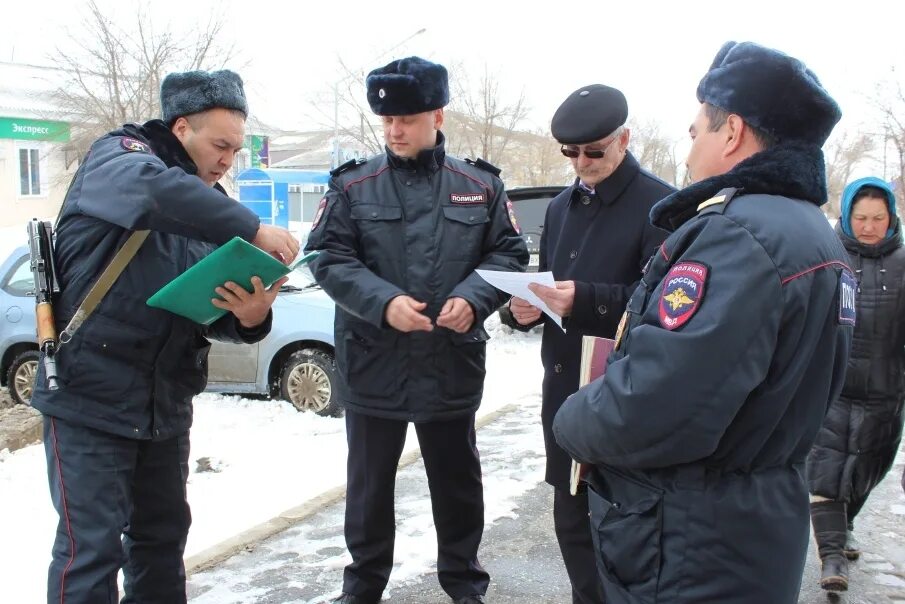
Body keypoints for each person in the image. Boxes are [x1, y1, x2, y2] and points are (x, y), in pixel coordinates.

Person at [552, 41, 853, 603]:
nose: (689, 150)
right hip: (750, 528)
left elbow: (657, 404)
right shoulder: (811, 232)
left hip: (692, 544)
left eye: (696, 132)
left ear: (732, 132)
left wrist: (571, 421)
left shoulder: (737, 237)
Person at [30, 69, 299, 604]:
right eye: (220, 144)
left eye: (236, 150)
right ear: (181, 128)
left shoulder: (206, 203)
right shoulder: (120, 159)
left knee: (160, 544)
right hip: (89, 397)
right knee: (91, 551)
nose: (227, 159)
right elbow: (151, 192)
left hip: (163, 406)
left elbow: (209, 311)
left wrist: (250, 315)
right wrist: (251, 226)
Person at [303, 56, 528, 604]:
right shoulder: (355, 186)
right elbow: (326, 256)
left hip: (450, 362)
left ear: (437, 115)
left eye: (406, 118)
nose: (395, 130)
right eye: (386, 120)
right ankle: (362, 588)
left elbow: (509, 255)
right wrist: (383, 303)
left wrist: (473, 300)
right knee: (368, 489)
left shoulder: (479, 185)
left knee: (457, 486)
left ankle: (464, 585)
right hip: (373, 362)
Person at [500, 84, 673, 604]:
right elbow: (548, 285)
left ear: (624, 138)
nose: (581, 162)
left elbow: (666, 308)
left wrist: (584, 300)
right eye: (569, 153)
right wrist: (523, 309)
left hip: (625, 398)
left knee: (625, 538)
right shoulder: (559, 207)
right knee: (571, 527)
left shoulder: (660, 205)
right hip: (564, 395)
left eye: (593, 151)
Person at [807, 177, 905, 592]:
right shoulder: (829, 257)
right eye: (861, 217)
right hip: (833, 386)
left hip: (886, 391)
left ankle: (844, 526)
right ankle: (832, 557)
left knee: (866, 469)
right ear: (847, 215)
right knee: (826, 472)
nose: (868, 226)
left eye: (877, 218)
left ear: (891, 218)